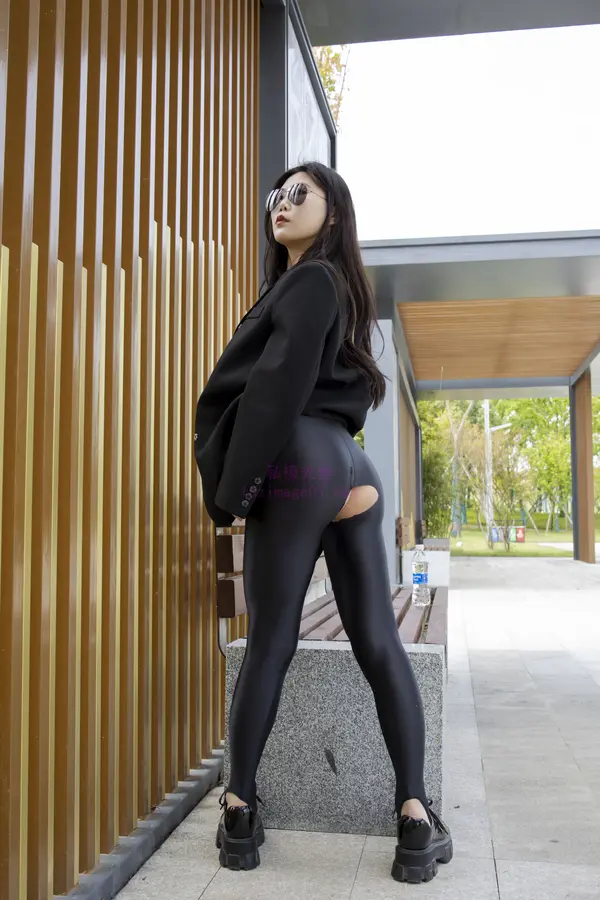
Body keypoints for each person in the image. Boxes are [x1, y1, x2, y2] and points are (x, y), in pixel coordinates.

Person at [194, 162, 453, 884]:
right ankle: (414, 814)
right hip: (350, 467)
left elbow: (277, 386)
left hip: (302, 458)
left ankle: (239, 809)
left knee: (271, 639)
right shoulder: (332, 285)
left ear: (332, 212)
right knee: (378, 639)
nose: (281, 203)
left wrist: (234, 493)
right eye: (276, 194)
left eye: (299, 193)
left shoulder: (309, 281)